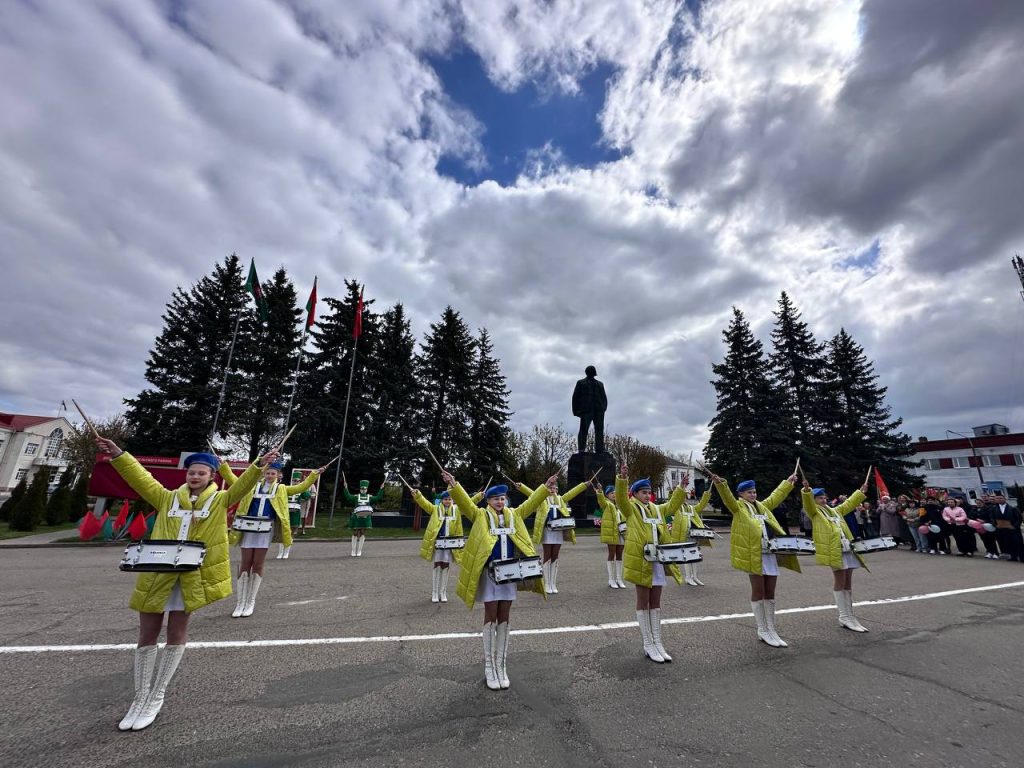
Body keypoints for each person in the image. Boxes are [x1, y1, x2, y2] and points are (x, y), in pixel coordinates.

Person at [94, 437, 277, 731]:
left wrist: (259, 465)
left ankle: (157, 695)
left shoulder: (220, 500)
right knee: (147, 634)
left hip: (189, 578)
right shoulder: (166, 498)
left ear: (211, 476)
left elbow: (242, 486)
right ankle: (139, 697)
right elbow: (140, 477)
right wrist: (118, 453)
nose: (195, 476)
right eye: (192, 472)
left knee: (176, 632)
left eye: (202, 473)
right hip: (157, 574)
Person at [446, 471, 554, 690]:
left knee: (505, 615)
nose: (500, 502)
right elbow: (465, 504)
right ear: (488, 501)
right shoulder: (480, 515)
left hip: (509, 575)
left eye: (502, 498)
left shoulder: (515, 514)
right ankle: (489, 666)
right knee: (491, 615)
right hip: (489, 575)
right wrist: (453, 485)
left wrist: (546, 486)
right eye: (495, 499)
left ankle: (501, 664)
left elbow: (532, 502)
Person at [220, 459, 323, 617]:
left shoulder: (281, 489)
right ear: (263, 473)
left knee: (258, 563)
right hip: (248, 528)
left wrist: (314, 475)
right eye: (267, 473)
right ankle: (240, 602)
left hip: (265, 530)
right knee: (245, 563)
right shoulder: (252, 486)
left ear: (278, 475)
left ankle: (250, 601)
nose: (269, 475)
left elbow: (300, 488)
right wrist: (223, 466)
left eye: (272, 473)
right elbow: (234, 480)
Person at [713, 469, 800, 648]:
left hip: (770, 554)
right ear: (741, 494)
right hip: (754, 555)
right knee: (758, 591)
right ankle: (762, 629)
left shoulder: (763, 506)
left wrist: (788, 482)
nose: (753, 495)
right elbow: (727, 498)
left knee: (770, 593)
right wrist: (721, 484)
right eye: (749, 492)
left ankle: (771, 628)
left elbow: (776, 496)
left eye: (754, 492)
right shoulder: (738, 507)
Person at [613, 465, 689, 663]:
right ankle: (647, 643)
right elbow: (621, 500)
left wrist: (681, 488)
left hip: (658, 560)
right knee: (643, 601)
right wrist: (622, 479)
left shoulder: (656, 509)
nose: (647, 496)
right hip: (641, 560)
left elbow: (671, 507)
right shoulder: (630, 508)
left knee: (656, 602)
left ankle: (658, 642)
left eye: (649, 492)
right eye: (643, 492)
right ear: (635, 494)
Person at [801, 480, 871, 632]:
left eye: (824, 497)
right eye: (820, 498)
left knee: (848, 583)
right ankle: (844, 616)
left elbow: (849, 504)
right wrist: (806, 491)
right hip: (834, 551)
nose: (823, 500)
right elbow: (807, 504)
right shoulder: (814, 512)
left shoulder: (834, 511)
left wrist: (861, 492)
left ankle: (850, 616)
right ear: (814, 501)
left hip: (847, 549)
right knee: (840, 581)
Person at [518, 476, 587, 594]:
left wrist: (584, 485)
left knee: (555, 556)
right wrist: (521, 487)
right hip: (547, 531)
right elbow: (532, 494)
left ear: (557, 490)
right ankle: (547, 584)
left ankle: (553, 583)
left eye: (555, 488)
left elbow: (572, 493)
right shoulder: (542, 500)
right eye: (551, 487)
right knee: (547, 555)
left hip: (558, 531)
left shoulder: (561, 499)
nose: (553, 489)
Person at [412, 487, 479, 603]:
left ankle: (443, 592)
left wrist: (479, 496)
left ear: (452, 500)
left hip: (450, 544)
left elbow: (469, 503)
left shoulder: (457, 510)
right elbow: (424, 503)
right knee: (437, 565)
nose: (448, 501)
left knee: (446, 566)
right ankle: (435, 592)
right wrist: (417, 495)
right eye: (445, 499)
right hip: (438, 544)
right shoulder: (435, 509)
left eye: (450, 499)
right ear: (442, 500)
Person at [668, 480, 712, 586]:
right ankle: (688, 577)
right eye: (682, 496)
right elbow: (672, 500)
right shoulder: (676, 509)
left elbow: (702, 505)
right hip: (683, 536)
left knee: (694, 556)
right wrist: (678, 488)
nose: (684, 498)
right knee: (687, 557)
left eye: (685, 496)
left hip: (694, 535)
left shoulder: (692, 508)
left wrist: (708, 493)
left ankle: (695, 576)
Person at [593, 482, 627, 588]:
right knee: (611, 555)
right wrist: (600, 491)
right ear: (607, 495)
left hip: (621, 533)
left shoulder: (619, 505)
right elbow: (601, 500)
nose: (614, 494)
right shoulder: (606, 504)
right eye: (611, 493)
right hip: (612, 533)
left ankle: (619, 579)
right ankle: (611, 580)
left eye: (615, 493)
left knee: (620, 556)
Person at [342, 477, 385, 557]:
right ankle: (353, 550)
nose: (363, 490)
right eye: (362, 488)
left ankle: (359, 550)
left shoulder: (369, 497)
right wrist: (346, 488)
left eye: (365, 489)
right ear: (360, 489)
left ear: (367, 489)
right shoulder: (356, 497)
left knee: (362, 532)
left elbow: (378, 497)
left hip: (365, 518)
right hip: (356, 517)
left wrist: (381, 489)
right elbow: (348, 497)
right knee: (355, 533)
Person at [572, 365, 608, 454]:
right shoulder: (581, 383)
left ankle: (599, 449)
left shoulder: (600, 384)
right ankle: (581, 449)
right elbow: (575, 397)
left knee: (599, 430)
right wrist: (576, 411)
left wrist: (603, 408)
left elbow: (604, 397)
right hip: (586, 410)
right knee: (583, 430)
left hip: (598, 411)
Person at [990, 493, 1023, 562]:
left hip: (1013, 529)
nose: (999, 499)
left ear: (1005, 499)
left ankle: (1021, 557)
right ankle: (1013, 556)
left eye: (1001, 498)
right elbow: (992, 518)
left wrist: (1014, 526)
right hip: (1002, 529)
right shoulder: (994, 509)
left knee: (1017, 543)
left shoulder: (1013, 508)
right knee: (1007, 543)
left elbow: (1019, 518)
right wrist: (995, 525)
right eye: (997, 498)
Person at [974, 494, 1001, 559]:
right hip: (979, 527)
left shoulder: (988, 509)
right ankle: (989, 552)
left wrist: (984, 521)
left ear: (983, 503)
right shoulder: (974, 509)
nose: (978, 504)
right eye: (977, 503)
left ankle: (995, 553)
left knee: (991, 540)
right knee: (984, 540)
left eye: (980, 503)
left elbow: (991, 517)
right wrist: (976, 520)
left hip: (988, 526)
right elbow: (972, 516)